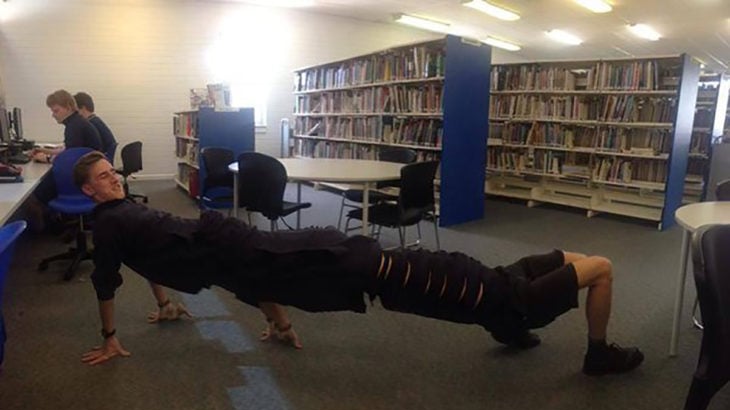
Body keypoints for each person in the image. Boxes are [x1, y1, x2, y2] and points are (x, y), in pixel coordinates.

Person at [74, 151, 644, 376]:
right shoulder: (187, 240)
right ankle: (583, 347)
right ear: (86, 191)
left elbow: (148, 255)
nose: (113, 178)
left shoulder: (203, 249)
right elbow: (136, 257)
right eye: (100, 177)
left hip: (369, 265)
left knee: (512, 283)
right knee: (591, 266)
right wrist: (119, 324)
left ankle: (516, 323)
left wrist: (277, 322)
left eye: (109, 172)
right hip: (373, 266)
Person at [25, 90, 103, 232]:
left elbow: (70, 158)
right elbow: (70, 151)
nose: (53, 115)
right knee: (44, 183)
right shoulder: (77, 123)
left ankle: (50, 229)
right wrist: (45, 151)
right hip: (88, 173)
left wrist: (47, 158)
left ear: (68, 107)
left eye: (56, 110)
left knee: (34, 194)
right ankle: (57, 222)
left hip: (80, 178)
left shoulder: (74, 127)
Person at [73, 92, 118, 161]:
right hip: (106, 158)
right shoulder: (96, 120)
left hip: (99, 160)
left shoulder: (89, 125)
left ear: (82, 108)